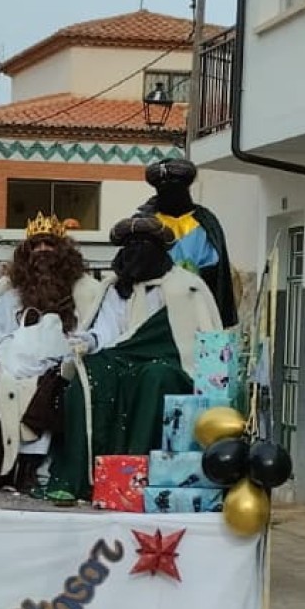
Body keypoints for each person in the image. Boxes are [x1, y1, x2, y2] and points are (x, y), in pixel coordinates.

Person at [45, 215, 223, 502]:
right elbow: (106, 331)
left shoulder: (185, 286)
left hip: (173, 361)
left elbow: (200, 333)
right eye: (129, 245)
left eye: (143, 244)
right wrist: (88, 341)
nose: (135, 250)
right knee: (90, 374)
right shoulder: (114, 288)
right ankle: (83, 476)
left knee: (154, 376)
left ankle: (139, 473)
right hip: (123, 354)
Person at [0, 213, 106, 491]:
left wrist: (65, 347)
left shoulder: (86, 290)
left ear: (62, 252)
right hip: (12, 361)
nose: (42, 251)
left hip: (62, 361)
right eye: (36, 246)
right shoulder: (9, 292)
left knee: (51, 385)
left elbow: (95, 331)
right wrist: (14, 348)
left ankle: (31, 466)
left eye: (49, 245)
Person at [138, 155, 238, 326]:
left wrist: (191, 275)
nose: (169, 191)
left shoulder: (205, 221)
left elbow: (216, 268)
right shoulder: (146, 222)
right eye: (163, 187)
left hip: (198, 302)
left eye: (175, 186)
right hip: (155, 306)